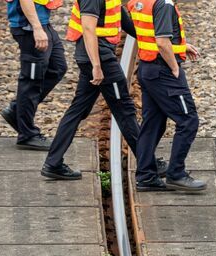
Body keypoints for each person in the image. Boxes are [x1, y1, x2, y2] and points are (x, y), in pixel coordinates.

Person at [41, 0, 166, 180]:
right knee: (124, 109)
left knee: (78, 110)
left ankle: (53, 163)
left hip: (94, 58)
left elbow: (127, 24)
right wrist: (97, 66)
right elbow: (88, 28)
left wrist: (164, 41)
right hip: (99, 59)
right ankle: (148, 162)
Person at [127, 0, 206, 192]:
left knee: (152, 123)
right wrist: (174, 67)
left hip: (147, 69)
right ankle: (176, 174)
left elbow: (149, 33)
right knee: (188, 120)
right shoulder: (164, 4)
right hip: (163, 71)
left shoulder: (137, 2)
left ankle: (146, 176)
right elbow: (162, 42)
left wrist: (180, 45)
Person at [1, 0, 67, 151]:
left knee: (57, 67)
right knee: (31, 80)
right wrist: (36, 28)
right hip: (29, 27)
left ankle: (17, 110)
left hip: (42, 23)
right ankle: (27, 135)